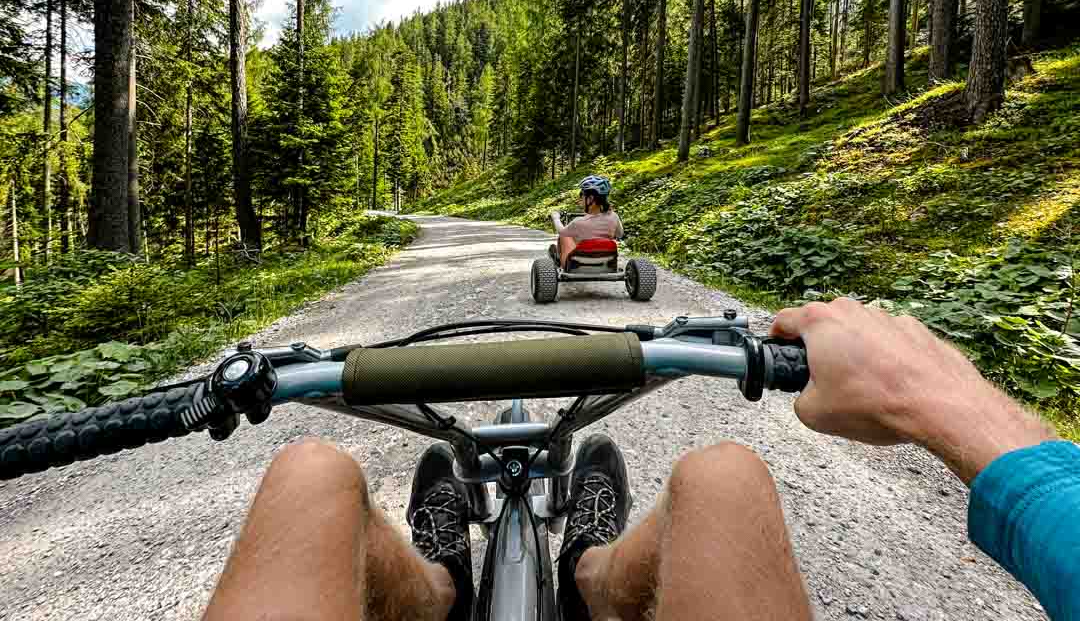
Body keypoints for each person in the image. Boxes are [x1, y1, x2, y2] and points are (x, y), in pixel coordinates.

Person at [201, 298, 1080, 621]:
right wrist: (949, 402)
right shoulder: (603, 222)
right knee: (725, 476)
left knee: (309, 471)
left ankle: (435, 587)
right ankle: (589, 569)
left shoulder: (581, 224)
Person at [549, 175, 624, 269]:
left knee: (564, 236)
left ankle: (559, 260)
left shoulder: (578, 222)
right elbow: (620, 234)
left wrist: (556, 217)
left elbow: (561, 231)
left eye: (582, 196)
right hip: (608, 264)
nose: (581, 200)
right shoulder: (614, 217)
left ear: (590, 199)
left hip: (576, 267)